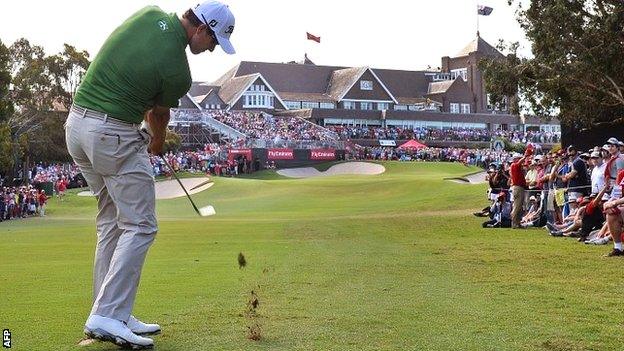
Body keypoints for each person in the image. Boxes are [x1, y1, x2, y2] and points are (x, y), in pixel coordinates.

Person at [65, 2, 236, 349]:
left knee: (112, 221)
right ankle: (108, 315)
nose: (212, 48)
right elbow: (158, 115)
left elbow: (136, 78)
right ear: (201, 29)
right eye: (214, 40)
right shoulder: (179, 71)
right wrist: (156, 143)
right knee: (141, 225)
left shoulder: (148, 13)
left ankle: (111, 311)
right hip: (111, 135)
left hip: (76, 127)